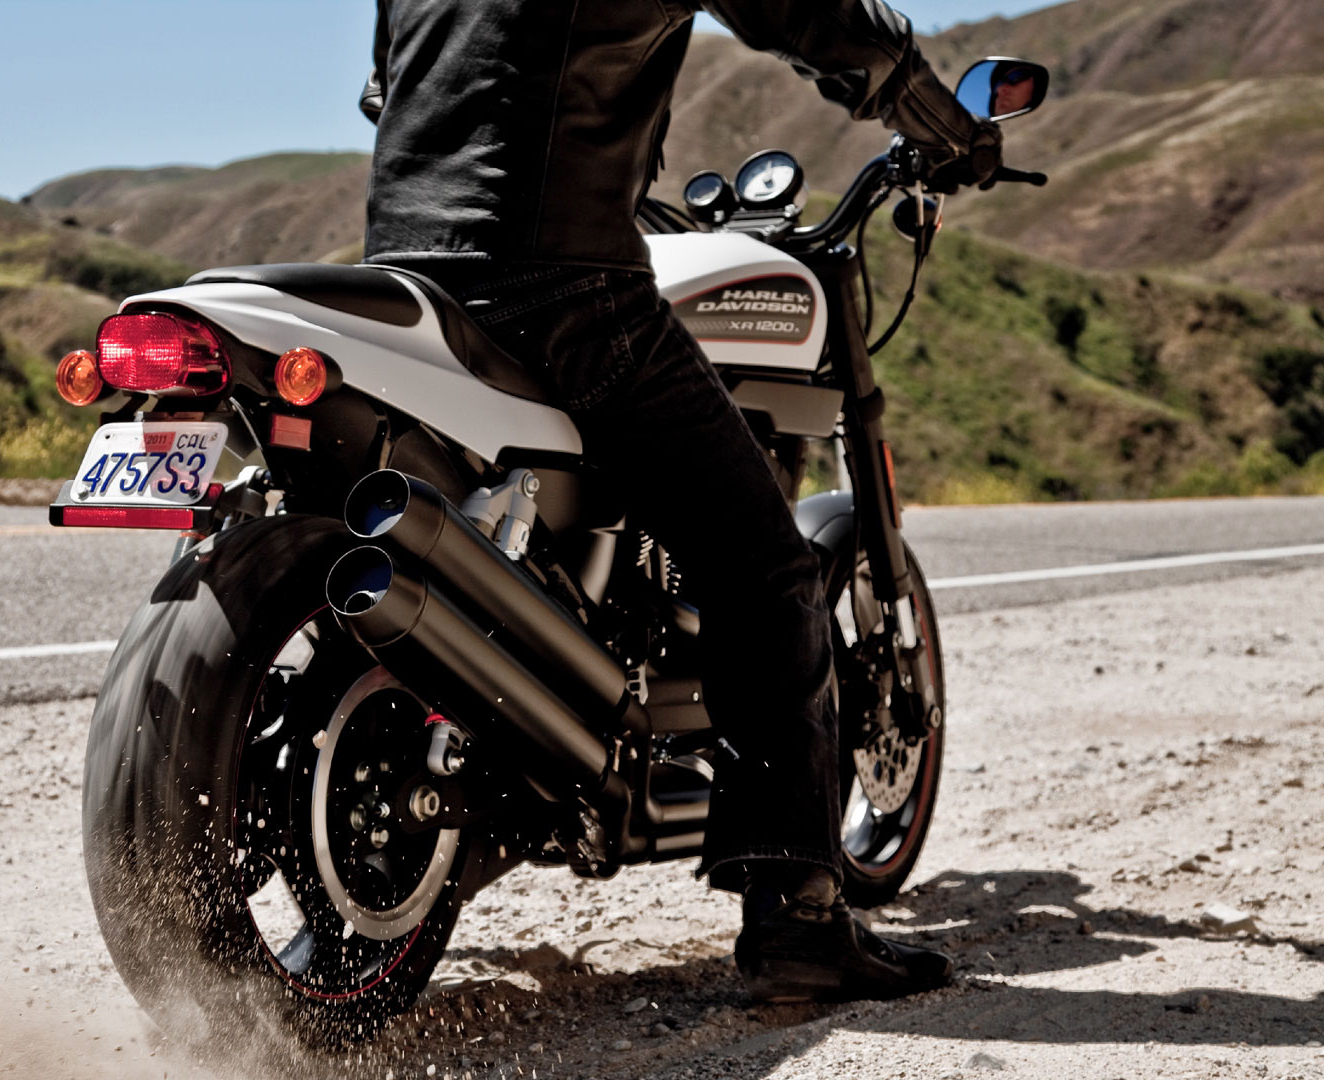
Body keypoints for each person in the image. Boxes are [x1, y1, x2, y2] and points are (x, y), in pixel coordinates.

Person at [358, 0, 1002, 1003]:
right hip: (563, 286)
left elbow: (386, 89)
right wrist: (945, 125)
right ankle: (798, 915)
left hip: (410, 272)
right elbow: (818, 17)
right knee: (768, 567)